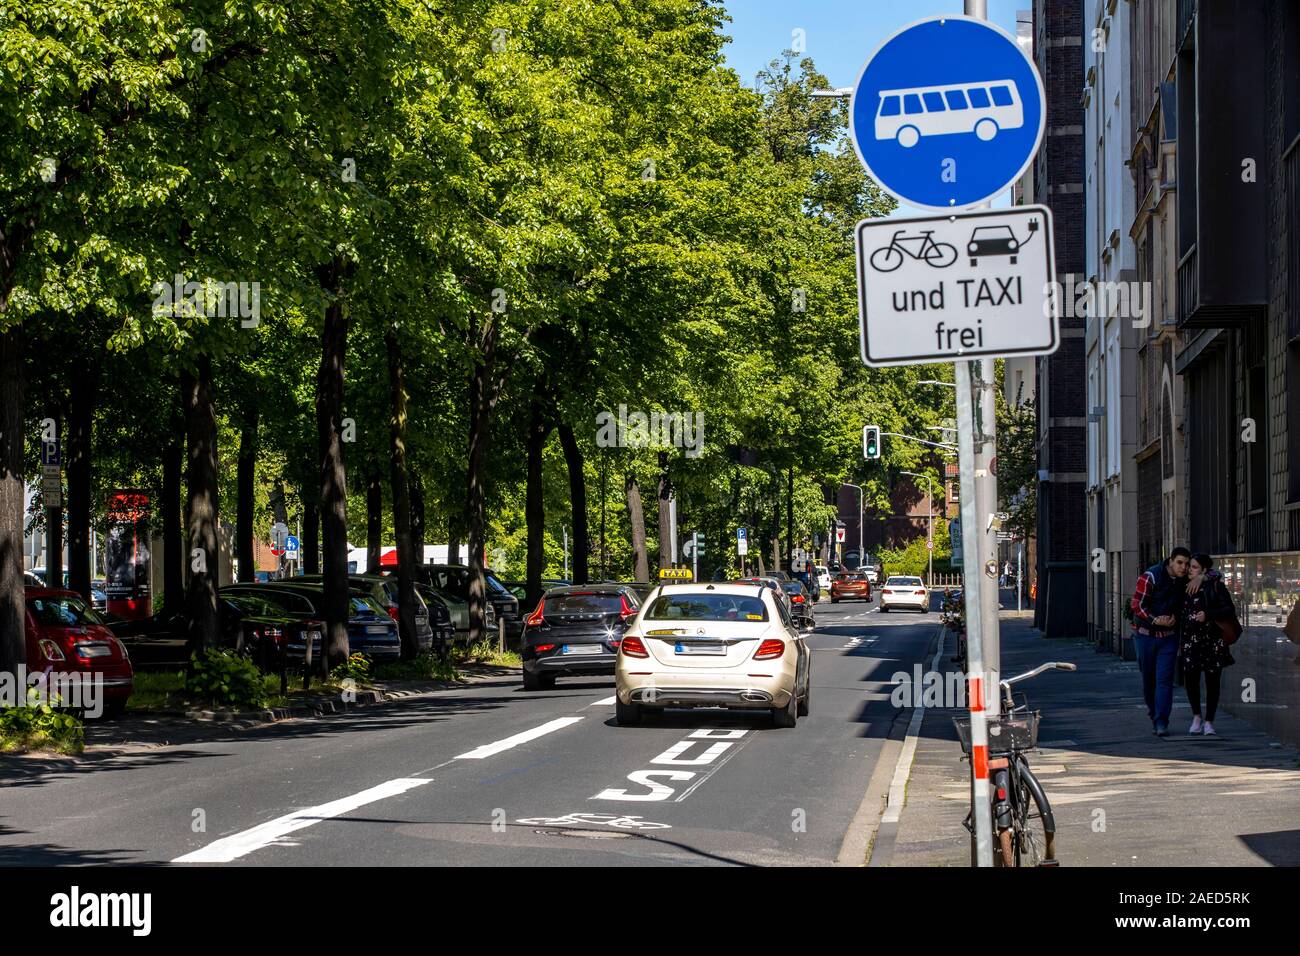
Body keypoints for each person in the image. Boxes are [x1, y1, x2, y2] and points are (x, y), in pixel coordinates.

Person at [1130, 547, 1191, 736]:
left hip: (1168, 638)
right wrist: (1154, 619)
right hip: (1146, 636)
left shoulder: (1185, 579)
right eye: (1180, 562)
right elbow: (1137, 604)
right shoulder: (1151, 576)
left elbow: (1213, 572)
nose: (1183, 567)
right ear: (1171, 561)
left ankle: (1161, 721)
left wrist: (1200, 577)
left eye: (1187, 564)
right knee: (1149, 681)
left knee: (1164, 680)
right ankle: (1154, 714)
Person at [1179, 553, 1236, 736]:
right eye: (1190, 566)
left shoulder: (1215, 587)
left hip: (1212, 641)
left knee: (1213, 682)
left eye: (1194, 567)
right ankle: (1196, 716)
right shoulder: (1183, 585)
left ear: (1204, 570)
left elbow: (1229, 609)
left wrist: (1208, 614)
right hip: (1190, 641)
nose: (1189, 570)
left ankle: (1209, 721)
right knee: (1191, 681)